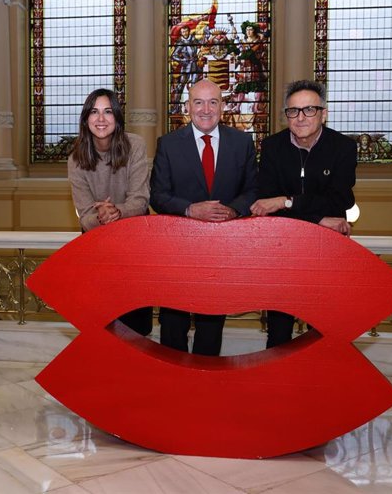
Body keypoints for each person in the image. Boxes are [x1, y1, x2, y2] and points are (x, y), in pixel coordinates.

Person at [150, 79, 258, 355]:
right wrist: (190, 209)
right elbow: (158, 195)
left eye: (213, 102)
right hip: (178, 251)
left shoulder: (242, 142)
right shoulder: (168, 144)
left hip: (223, 251)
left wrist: (234, 210)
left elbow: (253, 190)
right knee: (173, 322)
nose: (206, 109)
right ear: (188, 107)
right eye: (198, 102)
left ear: (223, 106)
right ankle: (174, 387)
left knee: (212, 324)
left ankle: (205, 386)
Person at [250, 79, 357, 348]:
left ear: (324, 113)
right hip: (283, 251)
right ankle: (275, 385)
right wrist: (319, 218)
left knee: (321, 328)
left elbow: (340, 199)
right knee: (278, 330)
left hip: (325, 251)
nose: (300, 118)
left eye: (309, 110)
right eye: (293, 111)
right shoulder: (272, 147)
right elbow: (265, 204)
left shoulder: (343, 147)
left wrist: (286, 202)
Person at [67, 88, 153, 336]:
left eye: (107, 111)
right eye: (94, 112)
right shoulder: (75, 158)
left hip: (135, 244)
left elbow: (140, 199)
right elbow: (84, 215)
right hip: (97, 247)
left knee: (137, 327)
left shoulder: (134, 144)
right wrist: (103, 217)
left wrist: (116, 211)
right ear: (85, 119)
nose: (101, 119)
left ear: (117, 117)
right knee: (101, 326)